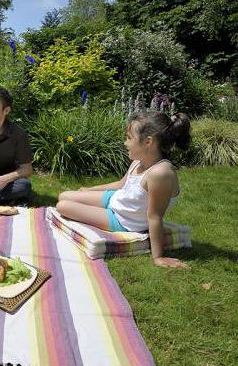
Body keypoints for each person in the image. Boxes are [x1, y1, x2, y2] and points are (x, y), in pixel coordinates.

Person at [56, 111, 192, 269]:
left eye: (129, 138)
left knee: (62, 206)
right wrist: (89, 189)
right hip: (117, 199)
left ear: (148, 141)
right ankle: (92, 203)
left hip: (123, 219)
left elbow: (155, 216)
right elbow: (121, 184)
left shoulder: (160, 174)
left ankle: (96, 210)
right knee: (63, 195)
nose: (125, 143)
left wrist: (158, 257)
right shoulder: (139, 160)